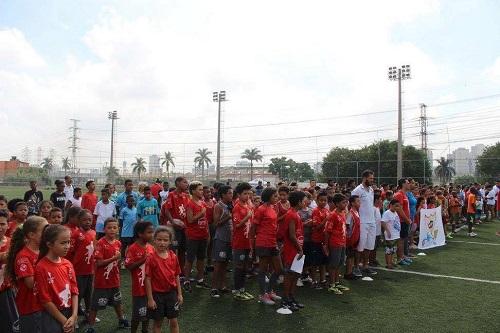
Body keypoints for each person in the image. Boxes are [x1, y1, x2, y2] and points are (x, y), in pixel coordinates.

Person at [85, 218, 130, 333]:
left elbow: (117, 262)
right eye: (109, 227)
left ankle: (121, 320)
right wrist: (114, 258)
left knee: (117, 301)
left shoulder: (118, 243)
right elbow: (99, 263)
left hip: (114, 280)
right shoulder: (100, 243)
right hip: (102, 281)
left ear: (118, 229)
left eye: (114, 227)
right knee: (95, 305)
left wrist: (118, 264)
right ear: (104, 229)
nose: (112, 230)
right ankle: (91, 326)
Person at [5, 216, 48, 332]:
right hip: (31, 307)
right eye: (44, 230)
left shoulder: (44, 251)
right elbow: (30, 284)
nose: (48, 232)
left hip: (43, 304)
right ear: (31, 235)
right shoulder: (23, 257)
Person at [35, 224, 79, 333]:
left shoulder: (68, 264)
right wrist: (63, 320)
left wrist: (74, 316)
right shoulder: (41, 267)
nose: (67, 246)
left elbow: (74, 291)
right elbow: (45, 300)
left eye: (68, 242)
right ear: (49, 244)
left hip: (69, 314)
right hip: (51, 316)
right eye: (63, 243)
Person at [145, 226, 183, 333]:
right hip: (157, 295)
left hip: (171, 294)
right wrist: (150, 299)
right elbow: (147, 279)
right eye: (159, 240)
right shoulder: (151, 257)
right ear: (154, 240)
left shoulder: (173, 256)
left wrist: (179, 294)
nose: (162, 243)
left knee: (174, 321)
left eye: (165, 240)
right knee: (158, 322)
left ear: (170, 241)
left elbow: (176, 276)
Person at [250, 187, 282, 306]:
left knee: (279, 269)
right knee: (263, 270)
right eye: (275, 196)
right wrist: (251, 242)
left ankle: (269, 291)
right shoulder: (261, 209)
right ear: (268, 196)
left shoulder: (273, 208)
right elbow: (253, 227)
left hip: (272, 242)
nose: (277, 197)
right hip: (263, 243)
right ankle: (263, 294)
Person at [125, 221, 154, 333]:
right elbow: (129, 266)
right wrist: (143, 259)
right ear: (140, 234)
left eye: (152, 231)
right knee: (138, 314)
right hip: (139, 288)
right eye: (149, 232)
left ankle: (145, 330)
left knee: (148, 312)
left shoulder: (151, 247)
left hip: (150, 287)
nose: (152, 234)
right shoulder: (132, 248)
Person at [279, 190, 306, 313]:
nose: (305, 202)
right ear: (299, 202)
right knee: (289, 275)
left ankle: (291, 298)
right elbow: (291, 235)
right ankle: (286, 300)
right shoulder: (291, 214)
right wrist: (300, 249)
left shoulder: (295, 213)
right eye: (303, 200)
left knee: (295, 275)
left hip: (296, 249)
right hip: (292, 250)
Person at [183, 181, 210, 292]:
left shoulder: (202, 202)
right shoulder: (190, 203)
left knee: (201, 258)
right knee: (190, 259)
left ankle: (200, 280)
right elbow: (190, 220)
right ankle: (186, 280)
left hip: (203, 235)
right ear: (193, 191)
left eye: (202, 189)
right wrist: (201, 213)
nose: (202, 191)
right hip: (193, 236)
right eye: (199, 189)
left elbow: (206, 221)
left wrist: (207, 233)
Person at [72, 209, 96, 324]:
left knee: (89, 294)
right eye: (85, 220)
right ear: (79, 221)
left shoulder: (93, 233)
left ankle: (88, 314)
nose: (88, 222)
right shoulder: (75, 234)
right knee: (78, 294)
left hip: (90, 270)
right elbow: (71, 252)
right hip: (78, 270)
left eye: (90, 220)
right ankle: (74, 317)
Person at [351, 170, 377, 276]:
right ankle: (356, 267)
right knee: (360, 246)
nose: (372, 180)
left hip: (372, 221)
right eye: (370, 178)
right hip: (362, 222)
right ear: (365, 178)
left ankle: (365, 265)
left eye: (372, 178)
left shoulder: (371, 190)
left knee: (369, 246)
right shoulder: (357, 190)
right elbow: (352, 206)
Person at [160, 177, 189, 271]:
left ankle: (181, 270)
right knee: (173, 248)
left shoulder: (185, 195)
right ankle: (170, 268)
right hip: (175, 227)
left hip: (184, 227)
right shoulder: (172, 195)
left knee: (182, 249)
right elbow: (167, 209)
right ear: (178, 183)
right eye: (184, 182)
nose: (186, 184)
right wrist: (172, 222)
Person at [231, 182, 254, 301]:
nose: (247, 196)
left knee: (245, 267)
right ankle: (236, 290)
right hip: (239, 242)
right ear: (239, 194)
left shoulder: (247, 205)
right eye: (245, 194)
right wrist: (247, 216)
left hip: (247, 242)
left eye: (248, 194)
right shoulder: (237, 207)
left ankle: (242, 289)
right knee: (239, 267)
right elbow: (237, 225)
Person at [323, 193, 349, 294]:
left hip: (342, 243)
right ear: (337, 204)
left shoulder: (342, 213)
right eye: (343, 202)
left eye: (346, 202)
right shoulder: (333, 215)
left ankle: (337, 282)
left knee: (339, 263)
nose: (345, 204)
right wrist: (326, 245)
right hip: (335, 243)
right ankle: (331, 284)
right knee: (333, 264)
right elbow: (327, 231)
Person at [210, 185, 233, 298]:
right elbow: (216, 223)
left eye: (232, 193)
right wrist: (228, 217)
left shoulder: (230, 205)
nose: (231, 195)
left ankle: (222, 286)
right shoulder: (218, 206)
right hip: (221, 239)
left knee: (225, 264)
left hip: (230, 239)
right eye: (229, 193)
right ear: (223, 194)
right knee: (218, 264)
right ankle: (214, 288)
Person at [0, 210, 17, 333]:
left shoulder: (12, 242)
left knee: (8, 323)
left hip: (6, 289)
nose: (0, 227)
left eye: (2, 224)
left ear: (8, 224)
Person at [310, 191, 329, 288]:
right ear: (317, 201)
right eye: (321, 200)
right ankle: (314, 281)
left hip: (324, 241)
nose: (323, 202)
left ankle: (323, 279)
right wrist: (326, 219)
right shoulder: (316, 211)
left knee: (323, 262)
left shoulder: (326, 211)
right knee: (315, 262)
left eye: (325, 200)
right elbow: (317, 227)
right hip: (316, 240)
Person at [393, 178, 412, 266]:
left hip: (404, 221)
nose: (409, 184)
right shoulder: (399, 194)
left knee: (403, 239)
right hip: (401, 221)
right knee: (400, 240)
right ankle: (399, 258)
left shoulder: (405, 194)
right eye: (408, 183)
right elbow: (399, 209)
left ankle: (402, 255)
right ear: (403, 184)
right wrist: (407, 219)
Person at [381, 200, 402, 269]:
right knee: (389, 250)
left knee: (393, 249)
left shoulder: (395, 212)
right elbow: (383, 222)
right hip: (390, 235)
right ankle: (388, 264)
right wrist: (387, 231)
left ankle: (391, 261)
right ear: (391, 205)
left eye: (398, 206)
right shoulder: (387, 213)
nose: (397, 207)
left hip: (395, 234)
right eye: (396, 206)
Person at [345, 195, 361, 280]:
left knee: (352, 256)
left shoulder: (356, 212)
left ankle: (350, 272)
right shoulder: (350, 213)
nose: (359, 203)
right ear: (352, 203)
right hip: (350, 238)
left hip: (355, 238)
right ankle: (348, 273)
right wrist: (348, 237)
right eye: (357, 201)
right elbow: (347, 225)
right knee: (349, 256)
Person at [119, 195, 138, 262]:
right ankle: (122, 261)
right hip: (125, 233)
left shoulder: (136, 209)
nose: (131, 202)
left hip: (133, 233)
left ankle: (130, 260)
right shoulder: (123, 210)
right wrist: (121, 231)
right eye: (130, 201)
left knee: (132, 247)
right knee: (123, 247)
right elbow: (121, 222)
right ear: (127, 201)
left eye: (132, 201)